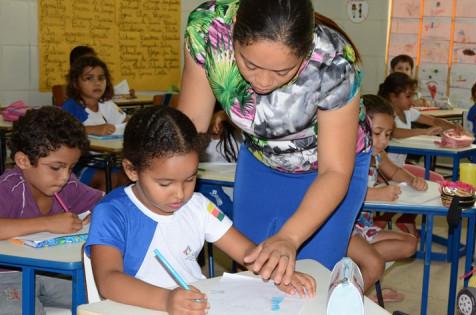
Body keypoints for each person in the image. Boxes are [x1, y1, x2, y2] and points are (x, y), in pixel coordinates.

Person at [178, 0, 372, 283]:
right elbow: (190, 128)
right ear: (233, 37)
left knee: (311, 276)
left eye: (283, 72)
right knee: (253, 270)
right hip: (261, 161)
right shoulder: (208, 30)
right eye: (250, 64)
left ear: (305, 51)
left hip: (328, 171)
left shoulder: (333, 63)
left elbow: (335, 171)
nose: (264, 82)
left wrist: (290, 237)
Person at [85, 106, 315, 313]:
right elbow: (108, 281)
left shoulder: (198, 206)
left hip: (195, 306)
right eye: (165, 184)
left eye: (190, 178)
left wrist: (279, 274)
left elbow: (248, 253)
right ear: (131, 170)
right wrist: (166, 300)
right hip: (141, 308)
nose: (180, 193)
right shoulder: (113, 212)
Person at [0, 106, 104, 314]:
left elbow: (106, 203)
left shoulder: (67, 185)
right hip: (5, 277)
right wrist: (48, 223)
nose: (65, 176)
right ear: (23, 161)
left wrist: (99, 215)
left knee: (101, 299)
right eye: (56, 167)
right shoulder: (9, 187)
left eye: (71, 167)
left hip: (49, 274)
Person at [346, 95, 419, 292]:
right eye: (377, 133)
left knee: (410, 244)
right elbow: (342, 194)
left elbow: (395, 172)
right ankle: (345, 298)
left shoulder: (377, 155)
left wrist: (412, 179)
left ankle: (349, 273)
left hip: (364, 228)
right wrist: (377, 194)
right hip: (344, 230)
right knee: (375, 263)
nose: (383, 141)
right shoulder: (347, 155)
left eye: (388, 134)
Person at [377, 72, 451, 236]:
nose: (412, 100)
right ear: (393, 96)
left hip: (399, 168)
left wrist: (453, 127)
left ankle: (406, 218)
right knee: (405, 188)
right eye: (408, 96)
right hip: (383, 171)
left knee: (436, 180)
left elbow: (433, 121)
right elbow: (396, 132)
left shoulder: (408, 112)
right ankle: (381, 222)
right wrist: (423, 132)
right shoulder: (387, 114)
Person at [62, 56, 129, 192]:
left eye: (101, 78)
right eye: (89, 78)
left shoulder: (107, 105)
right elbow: (62, 131)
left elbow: (126, 122)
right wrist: (93, 129)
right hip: (77, 165)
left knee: (126, 175)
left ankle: (115, 210)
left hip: (103, 161)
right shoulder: (72, 106)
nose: (97, 83)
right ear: (75, 83)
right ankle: (94, 211)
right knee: (109, 178)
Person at [198, 110, 242, 218]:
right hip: (208, 187)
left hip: (230, 189)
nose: (216, 128)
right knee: (213, 212)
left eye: (220, 123)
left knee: (225, 213)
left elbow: (245, 124)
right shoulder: (201, 140)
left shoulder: (237, 138)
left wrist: (223, 115)